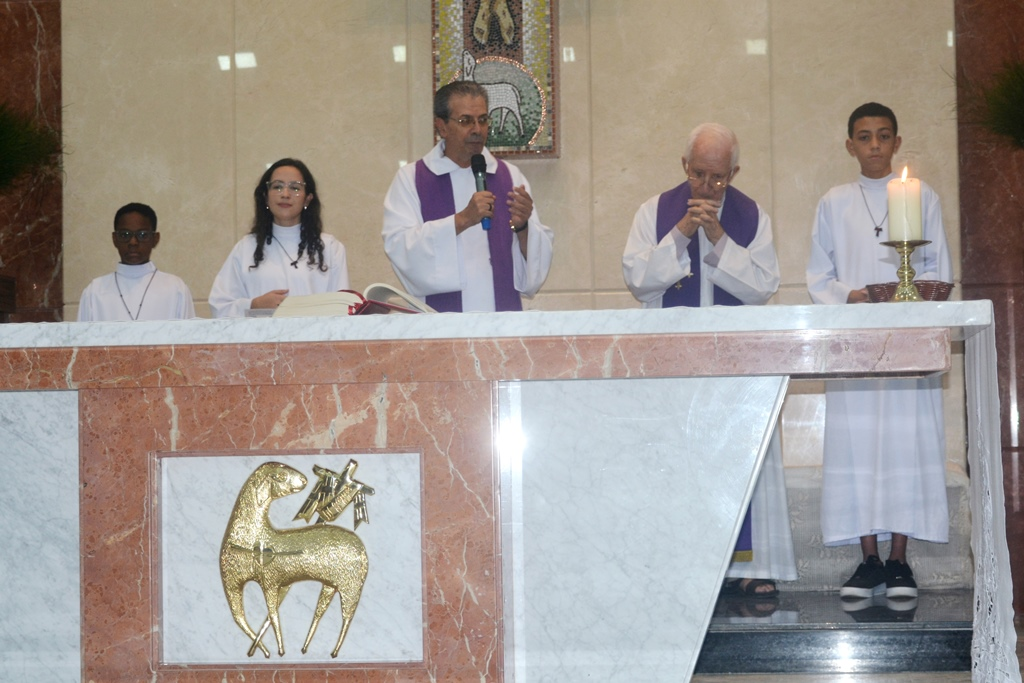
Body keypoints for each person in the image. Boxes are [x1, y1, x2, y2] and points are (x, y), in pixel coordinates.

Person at [622, 123, 797, 599]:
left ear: (734, 173)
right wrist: (682, 232)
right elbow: (638, 280)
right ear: (684, 166)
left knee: (739, 459)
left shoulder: (751, 216)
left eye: (718, 177)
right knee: (679, 464)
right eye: (698, 174)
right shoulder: (653, 212)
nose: (706, 186)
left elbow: (762, 287)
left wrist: (718, 236)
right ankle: (682, 565)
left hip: (735, 362)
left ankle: (751, 566)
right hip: (673, 361)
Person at [806, 102, 953, 600]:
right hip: (854, 343)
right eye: (865, 136)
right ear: (850, 145)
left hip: (907, 341)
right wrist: (853, 295)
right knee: (858, 445)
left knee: (906, 444)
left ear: (897, 142)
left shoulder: (922, 196)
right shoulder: (834, 202)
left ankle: (899, 559)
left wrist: (909, 299)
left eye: (883, 135)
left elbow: (937, 267)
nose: (874, 145)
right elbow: (818, 276)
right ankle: (868, 559)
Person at [382, 81, 553, 312]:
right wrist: (462, 220)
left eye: (483, 120)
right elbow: (400, 248)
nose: (477, 129)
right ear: (442, 126)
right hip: (441, 321)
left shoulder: (511, 176)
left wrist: (522, 228)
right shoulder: (411, 178)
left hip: (503, 320)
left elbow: (534, 269)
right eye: (466, 121)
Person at [209, 158, 349, 318]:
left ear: (307, 199)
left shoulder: (329, 248)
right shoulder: (246, 248)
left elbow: (343, 308)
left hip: (316, 334)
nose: (285, 194)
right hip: (259, 334)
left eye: (295, 188)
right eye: (277, 187)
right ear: (266, 197)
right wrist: (254, 305)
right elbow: (220, 307)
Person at [78, 202, 195, 321]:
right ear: (115, 239)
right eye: (125, 235)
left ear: (155, 239)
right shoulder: (95, 292)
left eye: (142, 235)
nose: (133, 242)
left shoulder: (175, 289)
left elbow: (190, 333)